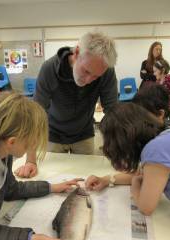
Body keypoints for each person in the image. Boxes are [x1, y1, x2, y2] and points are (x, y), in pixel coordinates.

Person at [0, 92, 82, 240]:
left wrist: (51, 187)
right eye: (29, 144)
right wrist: (29, 239)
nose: (32, 147)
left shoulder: (0, 150)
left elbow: (10, 189)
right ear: (12, 141)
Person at [15, 31, 118, 178]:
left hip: (84, 133)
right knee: (51, 178)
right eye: (86, 71)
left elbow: (113, 114)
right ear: (76, 53)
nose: (89, 80)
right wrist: (30, 161)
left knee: (86, 178)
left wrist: (119, 155)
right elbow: (35, 116)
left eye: (96, 76)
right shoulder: (49, 69)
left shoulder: (106, 70)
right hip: (53, 134)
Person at [86, 102, 170, 216]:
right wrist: (106, 180)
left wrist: (135, 184)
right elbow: (144, 174)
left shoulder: (156, 150)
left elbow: (146, 207)